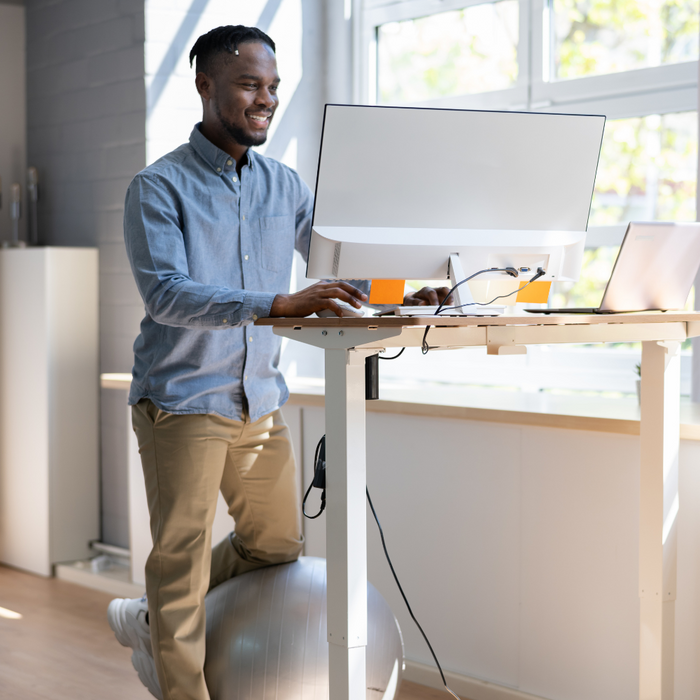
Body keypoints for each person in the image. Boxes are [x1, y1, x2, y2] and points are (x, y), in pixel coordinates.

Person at [107, 24, 448, 700]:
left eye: (271, 88)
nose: (264, 99)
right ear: (205, 85)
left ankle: (154, 608)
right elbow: (168, 295)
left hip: (258, 400)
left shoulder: (284, 185)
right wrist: (279, 303)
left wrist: (405, 292)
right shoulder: (157, 188)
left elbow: (338, 270)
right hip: (181, 401)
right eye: (247, 85)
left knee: (276, 547)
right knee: (178, 563)